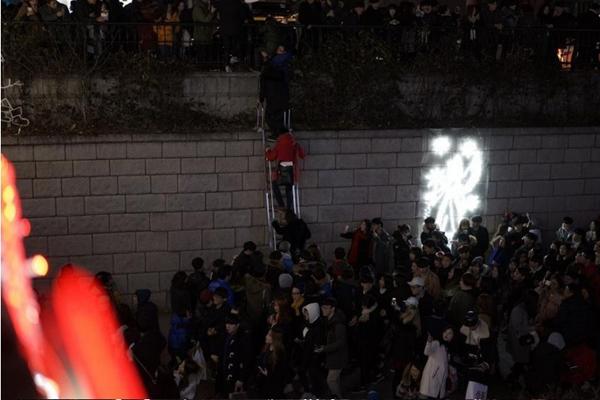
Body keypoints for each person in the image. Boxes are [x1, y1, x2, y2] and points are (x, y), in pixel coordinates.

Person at [265, 127, 306, 209]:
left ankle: (281, 205)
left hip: (281, 171)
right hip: (291, 171)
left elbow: (271, 157)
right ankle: (289, 208)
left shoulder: (279, 143)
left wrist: (267, 150)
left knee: (274, 185)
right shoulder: (294, 143)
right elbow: (302, 155)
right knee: (289, 188)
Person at [315, 297, 348, 398]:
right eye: (322, 307)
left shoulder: (338, 324)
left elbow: (340, 343)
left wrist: (324, 348)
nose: (323, 310)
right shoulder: (329, 320)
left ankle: (337, 397)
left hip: (338, 357)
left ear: (332, 309)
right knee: (335, 380)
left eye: (326, 308)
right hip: (333, 356)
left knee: (331, 380)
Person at [216, 314, 252, 397]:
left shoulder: (243, 339)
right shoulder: (226, 335)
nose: (227, 326)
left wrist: (241, 379)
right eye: (227, 323)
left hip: (235, 375)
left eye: (231, 324)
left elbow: (246, 360)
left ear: (237, 325)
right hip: (224, 374)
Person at [419, 326, 454, 399]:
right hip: (431, 382)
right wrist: (429, 342)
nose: (446, 334)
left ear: (453, 336)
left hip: (440, 384)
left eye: (449, 333)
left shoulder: (447, 348)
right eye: (445, 332)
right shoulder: (437, 343)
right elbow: (426, 352)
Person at [256, 327, 288, 398]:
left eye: (269, 335)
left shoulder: (280, 353)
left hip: (273, 389)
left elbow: (281, 373)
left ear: (274, 338)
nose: (266, 336)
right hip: (263, 384)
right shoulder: (267, 347)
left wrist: (267, 373)